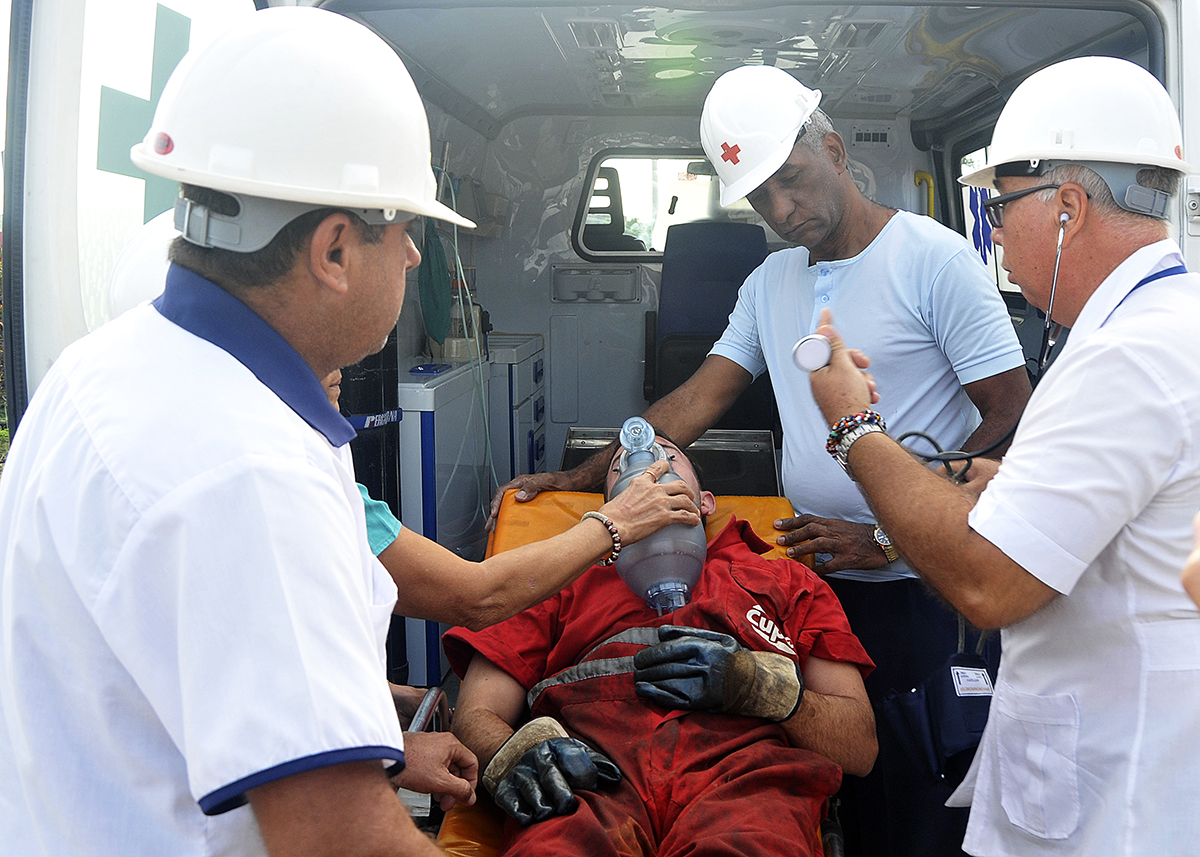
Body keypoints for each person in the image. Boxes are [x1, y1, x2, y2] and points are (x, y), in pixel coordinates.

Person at [0, 10, 699, 857]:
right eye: (404, 232)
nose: (413, 260)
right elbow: (346, 842)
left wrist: (384, 743)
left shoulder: (100, 373)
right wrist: (618, 524)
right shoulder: (249, 473)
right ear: (334, 250)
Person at [491, 63, 1031, 856]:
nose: (782, 210)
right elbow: (693, 403)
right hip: (813, 580)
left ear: (837, 151)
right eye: (760, 197)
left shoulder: (933, 260)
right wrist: (579, 474)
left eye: (794, 181)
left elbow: (1013, 418)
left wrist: (886, 539)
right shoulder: (773, 279)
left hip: (918, 587)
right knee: (821, 787)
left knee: (906, 808)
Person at [806, 56, 1200, 855]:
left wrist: (854, 429)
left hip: (1112, 810)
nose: (988, 231)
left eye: (996, 205)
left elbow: (987, 579)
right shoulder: (1167, 325)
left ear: (1066, 207)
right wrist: (1008, 482)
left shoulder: (1128, 359)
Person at [447, 434, 876, 857]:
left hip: (746, 780)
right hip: (588, 777)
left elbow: (859, 747)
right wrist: (515, 751)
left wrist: (757, 686)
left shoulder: (789, 583)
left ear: (705, 501)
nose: (646, 466)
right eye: (621, 466)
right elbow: (476, 715)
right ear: (610, 507)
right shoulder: (555, 578)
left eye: (666, 456)